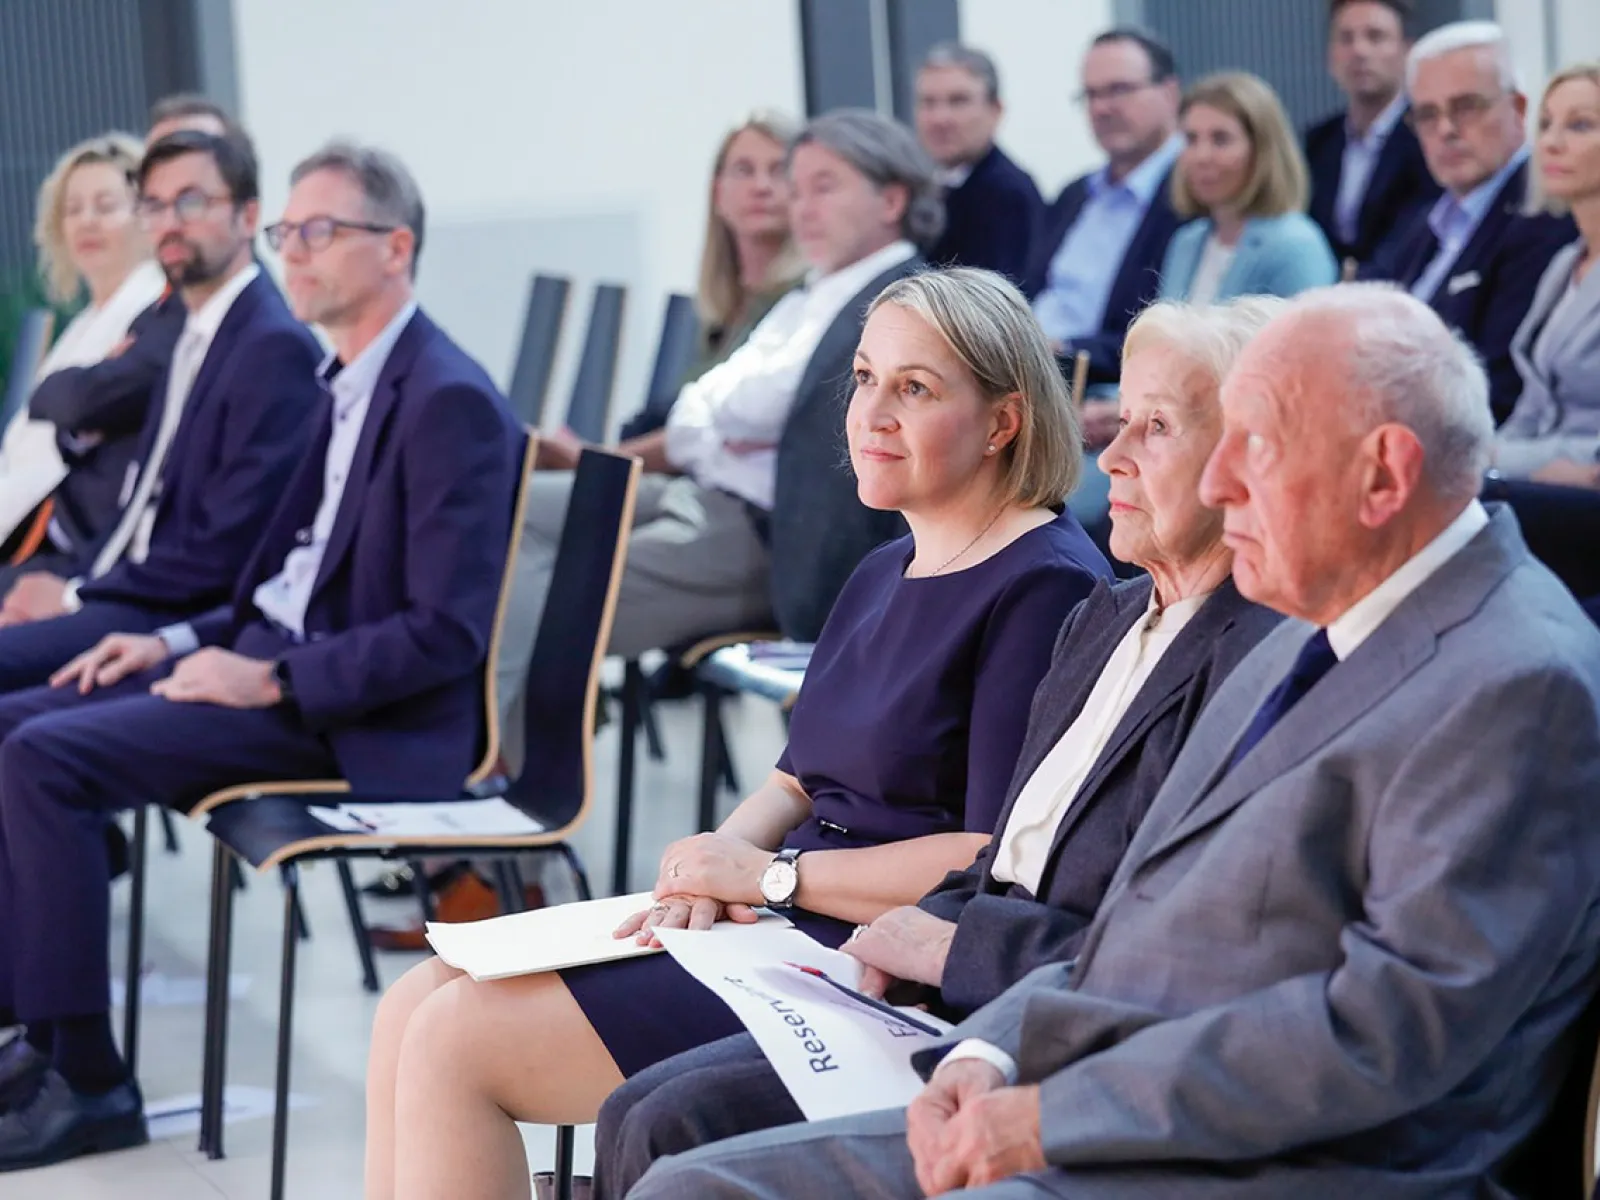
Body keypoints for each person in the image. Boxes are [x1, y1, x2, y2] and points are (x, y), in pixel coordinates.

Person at [627, 282, 1600, 1200]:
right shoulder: (1320, 631)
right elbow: (1152, 921)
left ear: (1382, 474)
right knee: (683, 1164)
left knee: (694, 1181)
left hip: (1296, 1163)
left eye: (1255, 447)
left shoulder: (1516, 682)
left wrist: (1049, 1112)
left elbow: (1384, 1036)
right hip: (1146, 1090)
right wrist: (995, 1048)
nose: (1221, 482)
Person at [364, 268, 1113, 1200]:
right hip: (782, 915)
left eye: (915, 389)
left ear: (1002, 422)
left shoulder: (1044, 586)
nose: (872, 413)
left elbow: (990, 858)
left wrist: (766, 876)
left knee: (455, 1044)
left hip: (875, 962)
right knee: (413, 1003)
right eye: (865, 379)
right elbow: (798, 778)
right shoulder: (887, 564)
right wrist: (711, 862)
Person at [591, 297, 1287, 1200]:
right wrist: (721, 872)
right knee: (641, 1113)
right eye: (865, 380)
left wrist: (844, 908)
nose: (1111, 455)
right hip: (920, 959)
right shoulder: (1109, 617)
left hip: (1029, 1013)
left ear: (1250, 462)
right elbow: (1004, 854)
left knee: (662, 1133)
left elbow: (1144, 929)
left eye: (1154, 428)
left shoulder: (1227, 651)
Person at [0, 141, 523, 1170]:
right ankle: (41, 1040)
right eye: (288, 232)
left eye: (320, 231)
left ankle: (90, 1083)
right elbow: (279, 580)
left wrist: (268, 678)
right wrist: (167, 640)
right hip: (266, 664)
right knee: (16, 724)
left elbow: (443, 635)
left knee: (42, 758)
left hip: (351, 716)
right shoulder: (346, 378)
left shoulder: (445, 398)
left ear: (396, 248)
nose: (295, 252)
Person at [497, 110, 940, 733]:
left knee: (523, 599)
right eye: (797, 189)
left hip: (768, 536)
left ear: (891, 200)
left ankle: (501, 758)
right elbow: (701, 405)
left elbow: (748, 406)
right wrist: (718, 425)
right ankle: (498, 738)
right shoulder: (812, 293)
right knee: (507, 510)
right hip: (700, 492)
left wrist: (715, 422)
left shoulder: (898, 303)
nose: (801, 207)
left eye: (824, 187)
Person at [0, 130, 320, 692]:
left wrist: (73, 594)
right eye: (155, 205)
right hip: (117, 581)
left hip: (174, 614)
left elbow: (222, 549)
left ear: (249, 217)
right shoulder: (192, 330)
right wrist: (72, 586)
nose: (170, 223)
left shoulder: (269, 345)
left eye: (190, 202)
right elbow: (135, 507)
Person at [1365, 21, 1575, 424]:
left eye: (1466, 106)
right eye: (1427, 114)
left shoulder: (1546, 216)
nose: (1446, 129)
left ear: (1518, 109)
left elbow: (1500, 385)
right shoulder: (1422, 222)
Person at [569, 113, 804, 455]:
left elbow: (716, 435)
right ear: (718, 192)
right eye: (744, 170)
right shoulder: (710, 315)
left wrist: (593, 459)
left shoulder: (806, 302)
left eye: (779, 170)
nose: (761, 186)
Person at [0, 134, 164, 586]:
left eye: (105, 206)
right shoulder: (83, 323)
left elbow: (77, 418)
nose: (86, 221)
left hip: (76, 543)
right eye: (73, 209)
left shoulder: (155, 311)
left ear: (146, 216)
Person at [1022, 26, 1184, 413]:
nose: (1101, 108)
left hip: (1108, 397)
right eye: (1091, 95)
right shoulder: (1074, 195)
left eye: (1119, 90)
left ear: (1169, 93)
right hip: (1033, 379)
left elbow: (1172, 330)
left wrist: (1066, 350)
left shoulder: (1193, 195)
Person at [1494, 63, 1600, 486]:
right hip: (1536, 477)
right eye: (1545, 124)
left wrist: (1494, 459)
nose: (1552, 143)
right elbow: (1533, 408)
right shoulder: (1563, 265)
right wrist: (1488, 458)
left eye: (1580, 125)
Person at [1160, 73, 1337, 302]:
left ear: (1262, 151)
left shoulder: (1295, 245)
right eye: (1191, 139)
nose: (1201, 156)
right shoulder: (1186, 242)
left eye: (1221, 139)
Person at [1304, 0, 1438, 270]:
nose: (1359, 51)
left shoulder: (1429, 137)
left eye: (1375, 37)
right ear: (1330, 55)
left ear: (1407, 51)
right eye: (1346, 38)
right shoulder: (1319, 141)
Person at [916, 43, 1044, 280]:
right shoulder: (925, 186)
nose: (939, 118)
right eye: (928, 102)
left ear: (995, 110)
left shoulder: (1007, 196)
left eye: (958, 101)